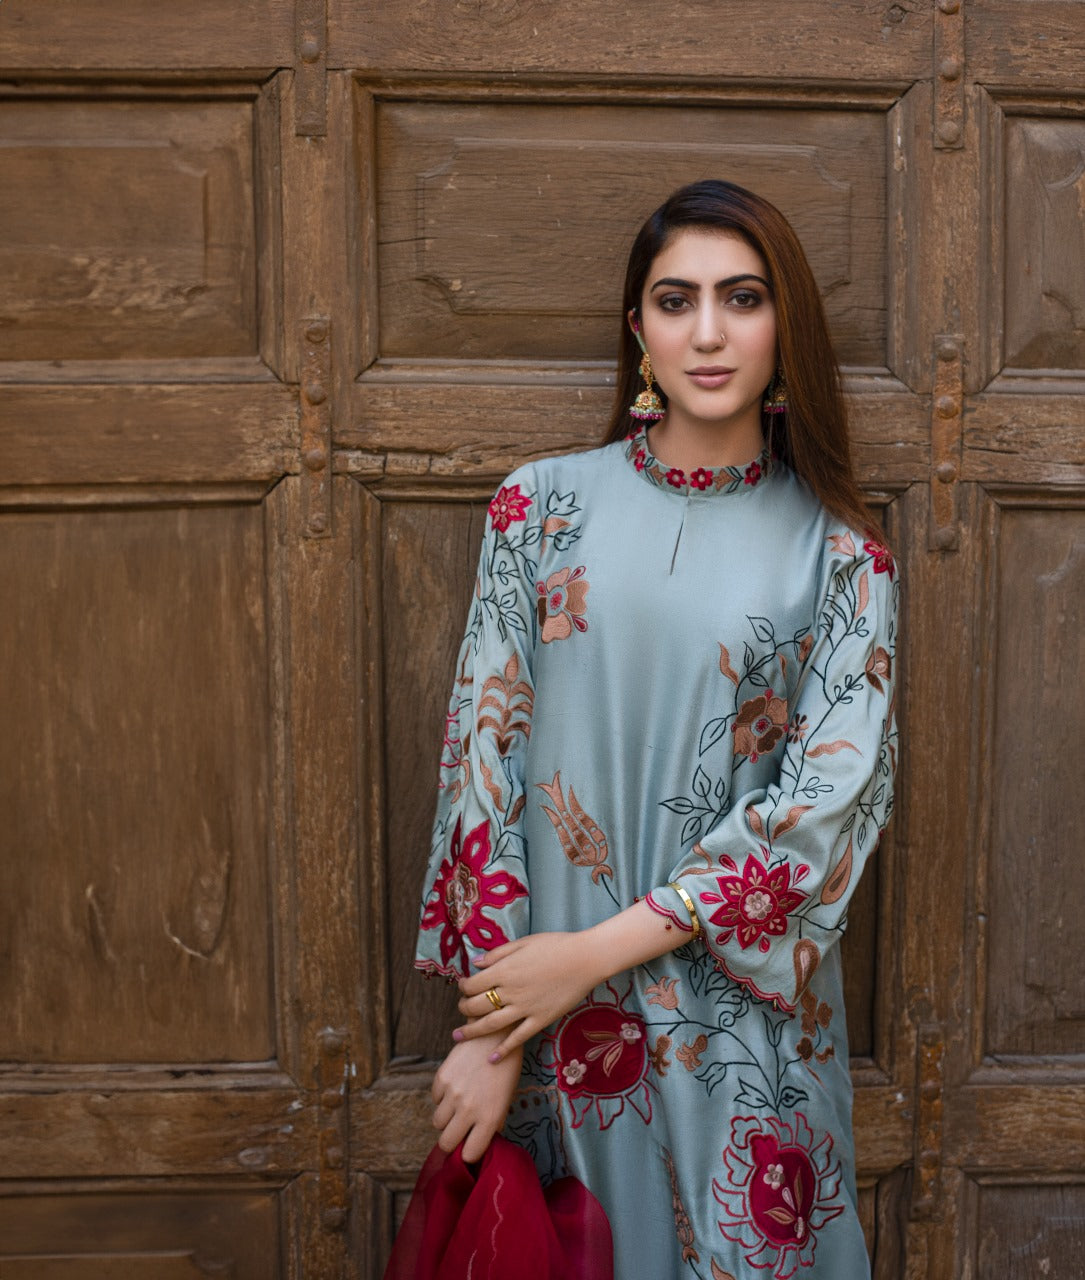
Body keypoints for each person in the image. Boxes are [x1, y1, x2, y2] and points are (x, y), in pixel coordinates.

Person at [412, 179, 898, 1279]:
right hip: (545, 1029)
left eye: (742, 298)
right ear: (638, 328)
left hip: (739, 1036)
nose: (708, 333)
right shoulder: (537, 510)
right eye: (676, 301)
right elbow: (482, 773)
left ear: (783, 325)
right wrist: (493, 1032)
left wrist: (584, 958)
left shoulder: (841, 558)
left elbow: (814, 818)